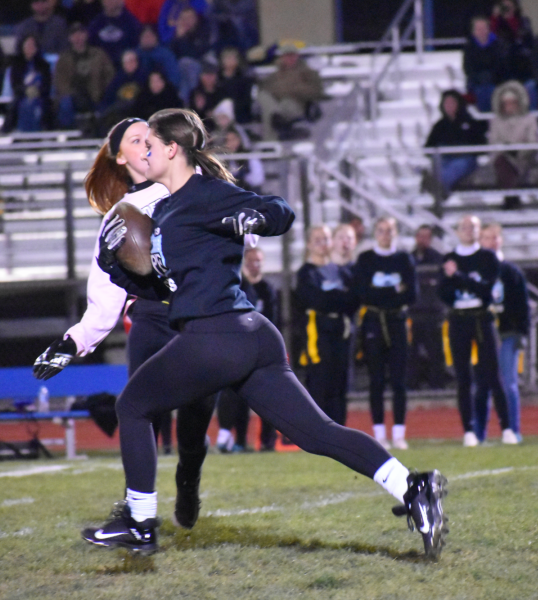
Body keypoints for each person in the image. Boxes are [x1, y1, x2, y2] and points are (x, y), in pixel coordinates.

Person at [80, 108, 447, 559]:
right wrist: (118, 268)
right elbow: (168, 283)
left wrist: (252, 219)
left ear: (172, 149)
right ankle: (413, 487)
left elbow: (280, 210)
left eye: (150, 145)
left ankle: (139, 523)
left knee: (132, 406)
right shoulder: (170, 207)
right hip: (248, 335)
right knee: (317, 433)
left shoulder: (206, 193)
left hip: (216, 334)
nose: (143, 154)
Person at [33, 117, 215, 529]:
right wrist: (70, 343)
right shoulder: (118, 216)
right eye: (136, 140)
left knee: (194, 423)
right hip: (152, 316)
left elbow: (233, 216)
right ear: (120, 157)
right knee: (139, 411)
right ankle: (137, 507)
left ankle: (188, 479)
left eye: (150, 136)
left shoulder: (190, 180)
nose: (147, 143)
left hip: (202, 314)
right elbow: (104, 300)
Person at [439, 215, 517, 447]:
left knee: (493, 374)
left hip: (482, 319)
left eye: (472, 227)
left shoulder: (487, 257)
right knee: (463, 377)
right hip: (459, 320)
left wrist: (458, 277)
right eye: (463, 227)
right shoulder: (449, 258)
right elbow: (443, 294)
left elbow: (486, 291)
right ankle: (469, 431)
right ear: (456, 231)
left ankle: (507, 428)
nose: (468, 231)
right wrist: (458, 282)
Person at [353, 217, 416, 450]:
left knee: (399, 380)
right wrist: (394, 290)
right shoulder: (366, 259)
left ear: (396, 233)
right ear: (375, 233)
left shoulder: (404, 259)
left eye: (390, 231)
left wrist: (380, 292)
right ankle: (379, 432)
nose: (385, 235)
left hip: (398, 321)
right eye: (381, 230)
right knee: (376, 379)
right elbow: (363, 294)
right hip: (373, 322)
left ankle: (399, 433)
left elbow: (412, 294)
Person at [216, 246, 281, 452]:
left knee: (268, 397)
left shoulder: (267, 289)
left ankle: (267, 442)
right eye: (251, 260)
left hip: (260, 350)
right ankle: (239, 440)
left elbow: (273, 321)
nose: (255, 265)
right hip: (239, 349)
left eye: (259, 261)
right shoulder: (237, 286)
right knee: (237, 395)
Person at [295, 226, 358, 427]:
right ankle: (319, 432)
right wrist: (338, 298)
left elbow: (353, 299)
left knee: (341, 383)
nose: (323, 244)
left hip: (341, 330)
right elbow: (314, 299)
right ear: (309, 245)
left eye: (326, 239)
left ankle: (340, 431)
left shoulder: (340, 270)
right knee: (320, 380)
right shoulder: (306, 272)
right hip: (318, 332)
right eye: (318, 240)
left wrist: (335, 299)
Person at [472, 223, 529, 441]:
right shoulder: (475, 271)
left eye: (495, 237)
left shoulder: (511, 271)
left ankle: (513, 430)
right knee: (482, 384)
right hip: (481, 332)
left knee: (507, 382)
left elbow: (522, 304)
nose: (492, 241)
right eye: (487, 238)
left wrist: (520, 332)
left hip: (507, 333)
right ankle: (478, 433)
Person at [406, 225, 449, 391]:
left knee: (436, 352)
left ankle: (437, 385)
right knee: (412, 353)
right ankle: (411, 385)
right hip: (413, 314)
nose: (423, 240)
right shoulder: (408, 259)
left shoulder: (438, 259)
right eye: (420, 236)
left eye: (427, 236)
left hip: (433, 313)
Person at [423, 90, 487, 200]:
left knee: (458, 165)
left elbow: (481, 144)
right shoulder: (439, 126)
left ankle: (437, 185)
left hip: (465, 159)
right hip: (445, 159)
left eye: (452, 103)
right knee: (440, 165)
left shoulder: (470, 122)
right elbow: (428, 147)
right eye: (446, 103)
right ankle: (439, 188)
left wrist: (465, 148)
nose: (449, 106)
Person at [54, 22, 116, 131]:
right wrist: (72, 94)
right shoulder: (63, 59)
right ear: (70, 38)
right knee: (65, 104)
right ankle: (67, 133)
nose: (78, 37)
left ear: (86, 35)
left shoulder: (99, 54)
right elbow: (59, 82)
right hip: (73, 97)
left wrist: (103, 91)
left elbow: (109, 75)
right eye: (74, 34)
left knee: (109, 104)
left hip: (96, 95)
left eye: (81, 33)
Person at [257, 44, 325, 141]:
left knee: (283, 106)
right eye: (287, 56)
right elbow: (265, 89)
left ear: (297, 56)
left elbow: (317, 91)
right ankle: (275, 118)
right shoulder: (275, 75)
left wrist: (293, 90)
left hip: (296, 104)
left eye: (292, 55)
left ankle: (270, 139)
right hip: (277, 104)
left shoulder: (307, 73)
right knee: (264, 99)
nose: (290, 59)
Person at [487, 80, 538, 202]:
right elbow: (493, 142)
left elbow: (533, 142)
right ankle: (512, 196)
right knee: (502, 163)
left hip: (524, 159)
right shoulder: (496, 121)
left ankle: (510, 196)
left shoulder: (529, 120)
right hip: (502, 157)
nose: (509, 106)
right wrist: (506, 149)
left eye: (512, 103)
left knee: (508, 165)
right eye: (506, 103)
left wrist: (518, 151)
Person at [3, 35, 54, 133]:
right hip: (21, 97)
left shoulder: (44, 65)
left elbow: (47, 84)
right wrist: (26, 90)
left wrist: (37, 91)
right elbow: (15, 84)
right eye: (27, 45)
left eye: (32, 45)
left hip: (41, 98)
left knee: (40, 106)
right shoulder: (16, 65)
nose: (30, 48)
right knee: (24, 105)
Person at [490, 0, 536, 107]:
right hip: (504, 70)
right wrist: (495, 18)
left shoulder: (524, 22)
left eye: (510, 5)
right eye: (504, 6)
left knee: (531, 87)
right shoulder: (496, 24)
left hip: (523, 68)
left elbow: (530, 44)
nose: (507, 9)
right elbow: (491, 42)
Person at [463, 16, 509, 113]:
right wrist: (480, 78)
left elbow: (501, 66)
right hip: (476, 82)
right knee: (483, 90)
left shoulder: (498, 45)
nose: (481, 31)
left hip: (495, 81)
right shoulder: (469, 47)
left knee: (491, 89)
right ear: (473, 31)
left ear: (488, 29)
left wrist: (491, 77)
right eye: (478, 29)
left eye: (483, 28)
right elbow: (468, 69)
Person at [98, 50, 148, 134]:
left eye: (133, 61)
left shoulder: (145, 78)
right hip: (120, 113)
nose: (130, 64)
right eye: (127, 62)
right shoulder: (117, 80)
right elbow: (109, 97)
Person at [88, 0, 143, 70]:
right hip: (101, 67)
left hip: (124, 68)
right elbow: (91, 47)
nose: (109, 2)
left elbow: (136, 48)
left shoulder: (132, 23)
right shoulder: (95, 24)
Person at [219, 121, 264, 192]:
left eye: (233, 139)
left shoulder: (249, 157)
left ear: (240, 139)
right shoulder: (224, 159)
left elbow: (257, 180)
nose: (231, 143)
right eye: (228, 140)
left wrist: (242, 178)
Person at [136, 24, 182, 90]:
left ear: (156, 38)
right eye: (145, 36)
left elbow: (174, 76)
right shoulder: (134, 54)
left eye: (150, 36)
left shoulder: (165, 54)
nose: (148, 39)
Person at [218, 47, 255, 124]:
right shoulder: (217, 78)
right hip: (219, 112)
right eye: (228, 58)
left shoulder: (244, 78)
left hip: (239, 112)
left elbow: (247, 99)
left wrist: (232, 106)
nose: (231, 61)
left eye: (233, 58)